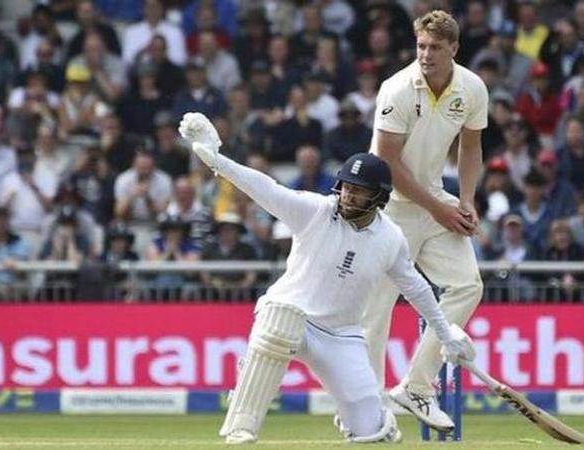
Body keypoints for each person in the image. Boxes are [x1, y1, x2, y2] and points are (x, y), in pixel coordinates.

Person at [180, 112, 473, 444]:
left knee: (368, 431)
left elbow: (416, 288)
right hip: (293, 317)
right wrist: (217, 161)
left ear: (378, 197)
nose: (348, 194)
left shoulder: (390, 238)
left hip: (341, 334)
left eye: (359, 190)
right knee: (280, 317)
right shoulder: (315, 210)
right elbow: (266, 189)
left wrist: (446, 334)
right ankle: (242, 423)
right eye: (347, 185)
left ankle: (377, 419)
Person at [360, 10, 489, 432]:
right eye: (421, 46)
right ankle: (365, 411)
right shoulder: (397, 88)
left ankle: (416, 386)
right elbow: (386, 162)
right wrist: (441, 209)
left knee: (469, 284)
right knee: (376, 310)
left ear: (454, 48)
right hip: (386, 207)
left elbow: (471, 149)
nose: (426, 55)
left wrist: (466, 201)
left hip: (434, 199)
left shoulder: (471, 87)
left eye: (435, 47)